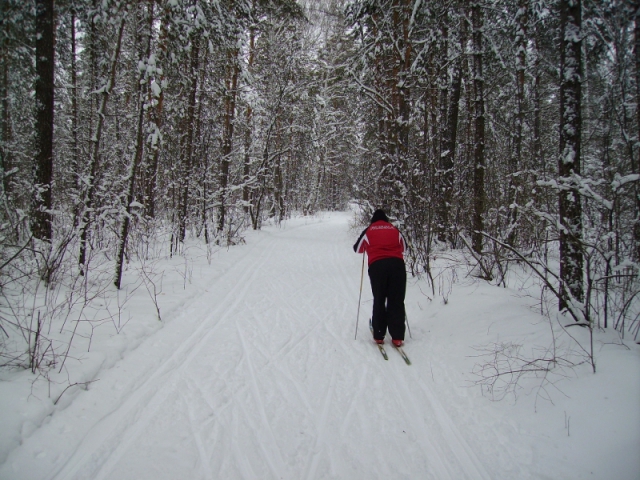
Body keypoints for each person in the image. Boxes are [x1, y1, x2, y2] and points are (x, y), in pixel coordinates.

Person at [353, 209, 407, 347]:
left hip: (378, 267)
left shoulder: (369, 230)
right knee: (396, 300)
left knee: (379, 298)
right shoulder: (394, 229)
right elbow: (404, 247)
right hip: (397, 266)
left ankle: (379, 335)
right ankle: (397, 337)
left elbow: (357, 248)